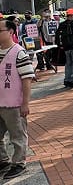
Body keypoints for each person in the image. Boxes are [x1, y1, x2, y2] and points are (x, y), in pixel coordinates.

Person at [0, 18, 34, 179]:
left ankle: (19, 163)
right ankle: (3, 161)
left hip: (14, 104)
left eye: (0, 30)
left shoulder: (18, 52)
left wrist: (25, 103)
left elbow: (26, 79)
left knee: (17, 136)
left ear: (11, 32)